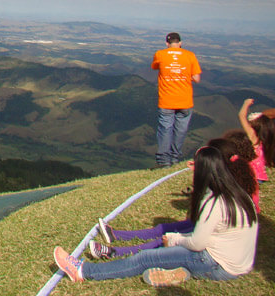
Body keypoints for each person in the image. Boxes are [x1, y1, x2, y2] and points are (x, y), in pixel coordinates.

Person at [54, 145, 258, 286]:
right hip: (238, 265)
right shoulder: (239, 194)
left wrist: (174, 239)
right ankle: (179, 272)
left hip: (216, 264)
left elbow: (197, 243)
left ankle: (83, 271)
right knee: (166, 254)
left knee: (145, 259)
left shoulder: (215, 202)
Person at [88, 136, 259, 260]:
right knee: (173, 228)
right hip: (219, 234)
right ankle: (118, 236)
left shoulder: (223, 195)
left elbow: (200, 231)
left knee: (169, 237)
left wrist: (175, 239)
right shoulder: (232, 183)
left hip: (218, 245)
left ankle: (117, 252)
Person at [151, 32, 202, 167]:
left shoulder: (160, 54)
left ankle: (164, 161)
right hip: (185, 100)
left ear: (167, 43)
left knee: (165, 129)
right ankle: (175, 158)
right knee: (180, 130)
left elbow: (155, 66)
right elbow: (197, 78)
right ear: (180, 43)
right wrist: (185, 76)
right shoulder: (190, 55)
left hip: (166, 100)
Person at [238, 98, 274, 183]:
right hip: (261, 175)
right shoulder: (265, 138)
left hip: (251, 174)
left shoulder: (252, 136)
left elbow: (241, 116)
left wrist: (245, 104)